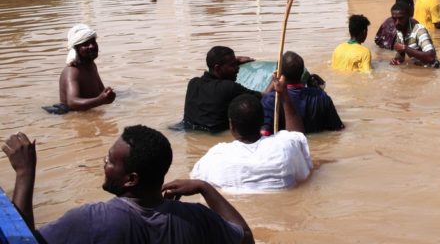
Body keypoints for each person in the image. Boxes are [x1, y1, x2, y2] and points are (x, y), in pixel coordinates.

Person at [1, 125, 254, 243]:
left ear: (131, 179)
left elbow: (22, 243)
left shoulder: (91, 221)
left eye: (110, 160)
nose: (104, 162)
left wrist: (25, 174)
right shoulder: (196, 218)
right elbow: (245, 238)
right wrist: (204, 187)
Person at [190, 79, 312, 192]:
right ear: (262, 121)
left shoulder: (215, 156)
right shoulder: (284, 146)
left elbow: (195, 179)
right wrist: (284, 95)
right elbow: (298, 136)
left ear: (231, 125)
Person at [261, 51, 344, 135]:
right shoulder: (322, 96)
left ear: (279, 73)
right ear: (302, 73)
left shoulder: (271, 100)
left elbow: (264, 133)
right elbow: (338, 128)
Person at [182, 46, 256, 133]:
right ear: (217, 68)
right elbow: (263, 97)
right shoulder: (228, 87)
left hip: (186, 130)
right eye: (232, 65)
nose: (237, 69)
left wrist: (233, 61)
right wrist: (274, 80)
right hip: (215, 135)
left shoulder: (193, 83)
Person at [56, 24, 116, 112]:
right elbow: (72, 102)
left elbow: (100, 92)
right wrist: (100, 100)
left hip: (91, 114)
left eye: (93, 42)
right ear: (76, 48)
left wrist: (108, 95)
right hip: (74, 118)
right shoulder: (72, 71)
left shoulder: (91, 64)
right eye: (85, 44)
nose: (92, 46)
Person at [390, 2, 438, 67]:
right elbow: (401, 54)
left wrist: (405, 48)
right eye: (394, 19)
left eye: (401, 18)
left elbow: (431, 57)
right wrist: (397, 60)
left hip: (430, 71)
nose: (397, 22)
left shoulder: (419, 30)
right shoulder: (400, 29)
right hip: (418, 69)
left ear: (409, 16)